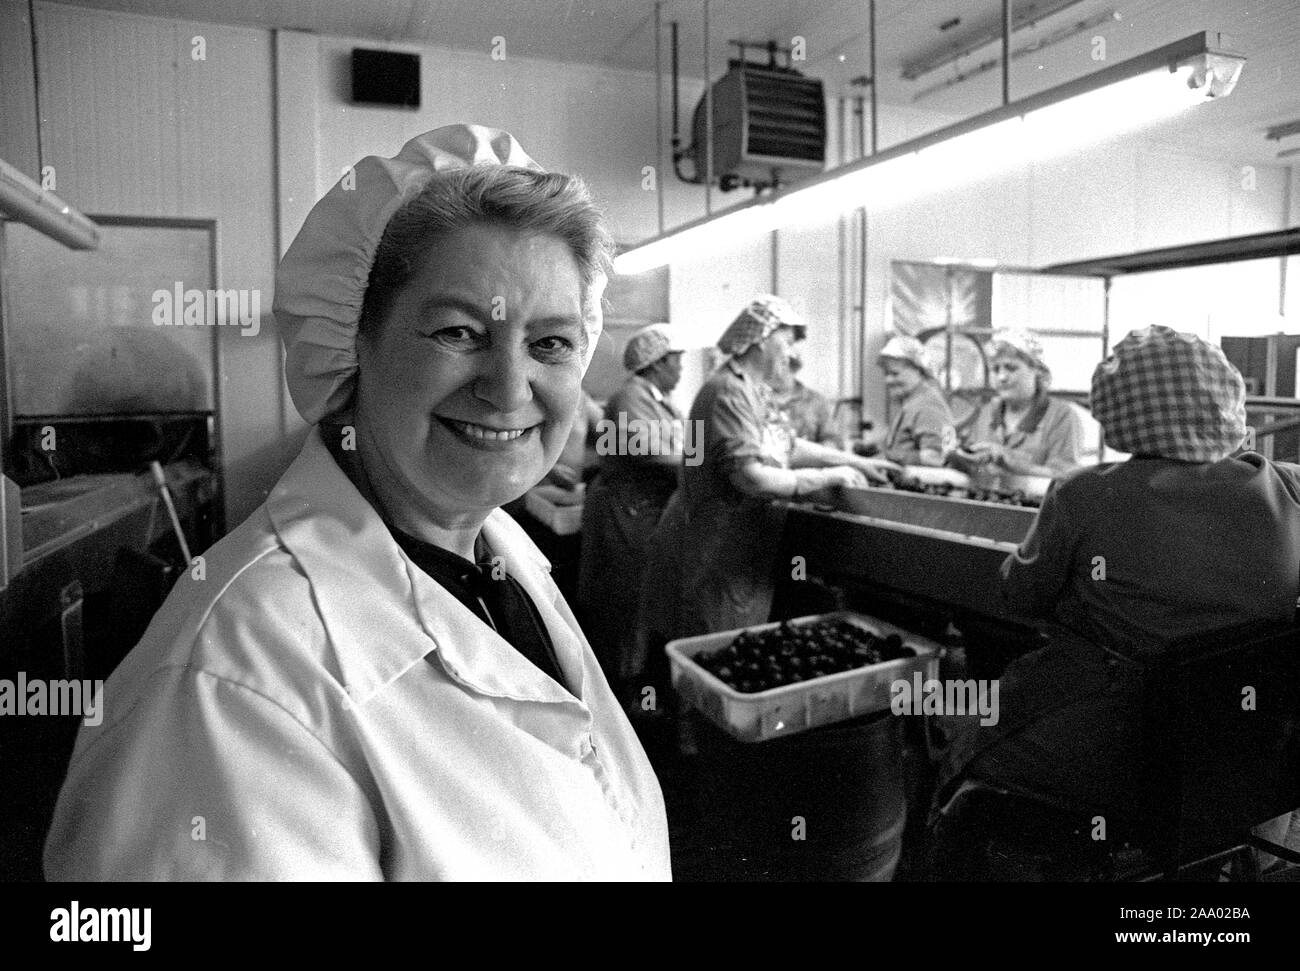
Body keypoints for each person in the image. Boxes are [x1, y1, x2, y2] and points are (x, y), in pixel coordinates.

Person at [43, 124, 670, 881]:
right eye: (459, 332)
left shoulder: (493, 553)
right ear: (351, 343)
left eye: (550, 344)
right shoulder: (235, 690)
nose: (509, 389)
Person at [932, 325, 1300, 868]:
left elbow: (1020, 596)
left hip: (1116, 745)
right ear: (1228, 401)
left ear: (1117, 410)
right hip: (1251, 752)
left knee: (968, 731)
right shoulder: (1290, 486)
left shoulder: (1084, 495)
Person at [638, 295, 896, 652]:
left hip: (740, 539)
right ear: (761, 339)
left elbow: (787, 445)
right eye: (786, 342)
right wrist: (827, 477)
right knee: (713, 647)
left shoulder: (753, 390)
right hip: (716, 540)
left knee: (733, 639)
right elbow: (751, 477)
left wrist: (856, 463)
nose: (791, 354)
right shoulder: (728, 391)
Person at [577, 324, 685, 696]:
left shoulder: (660, 399)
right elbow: (655, 454)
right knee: (626, 596)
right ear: (657, 363)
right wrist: (705, 469)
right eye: (677, 360)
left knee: (641, 594)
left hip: (645, 510)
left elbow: (691, 442)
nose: (682, 369)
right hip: (628, 510)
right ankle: (622, 690)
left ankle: (632, 678)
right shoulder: (630, 399)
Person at [957, 328, 1084, 479]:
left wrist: (1010, 461)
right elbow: (976, 470)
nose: (1002, 377)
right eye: (996, 369)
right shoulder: (987, 413)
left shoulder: (1061, 416)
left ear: (1036, 370)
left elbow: (1064, 477)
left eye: (1011, 368)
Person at [875, 334, 955, 467]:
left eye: (895, 374)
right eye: (886, 374)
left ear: (918, 370)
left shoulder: (929, 406)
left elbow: (939, 457)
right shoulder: (912, 404)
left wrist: (890, 457)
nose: (888, 380)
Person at [771, 344, 835, 444]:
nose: (776, 372)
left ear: (793, 367)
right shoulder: (756, 398)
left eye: (783, 364)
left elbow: (832, 439)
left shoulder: (817, 401)